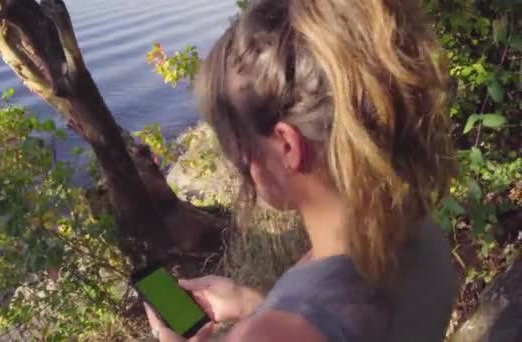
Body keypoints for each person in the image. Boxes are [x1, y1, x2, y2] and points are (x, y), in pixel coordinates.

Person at [145, 0, 459, 340]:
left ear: (286, 146)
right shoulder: (416, 231)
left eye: (236, 147)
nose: (240, 166)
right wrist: (254, 305)